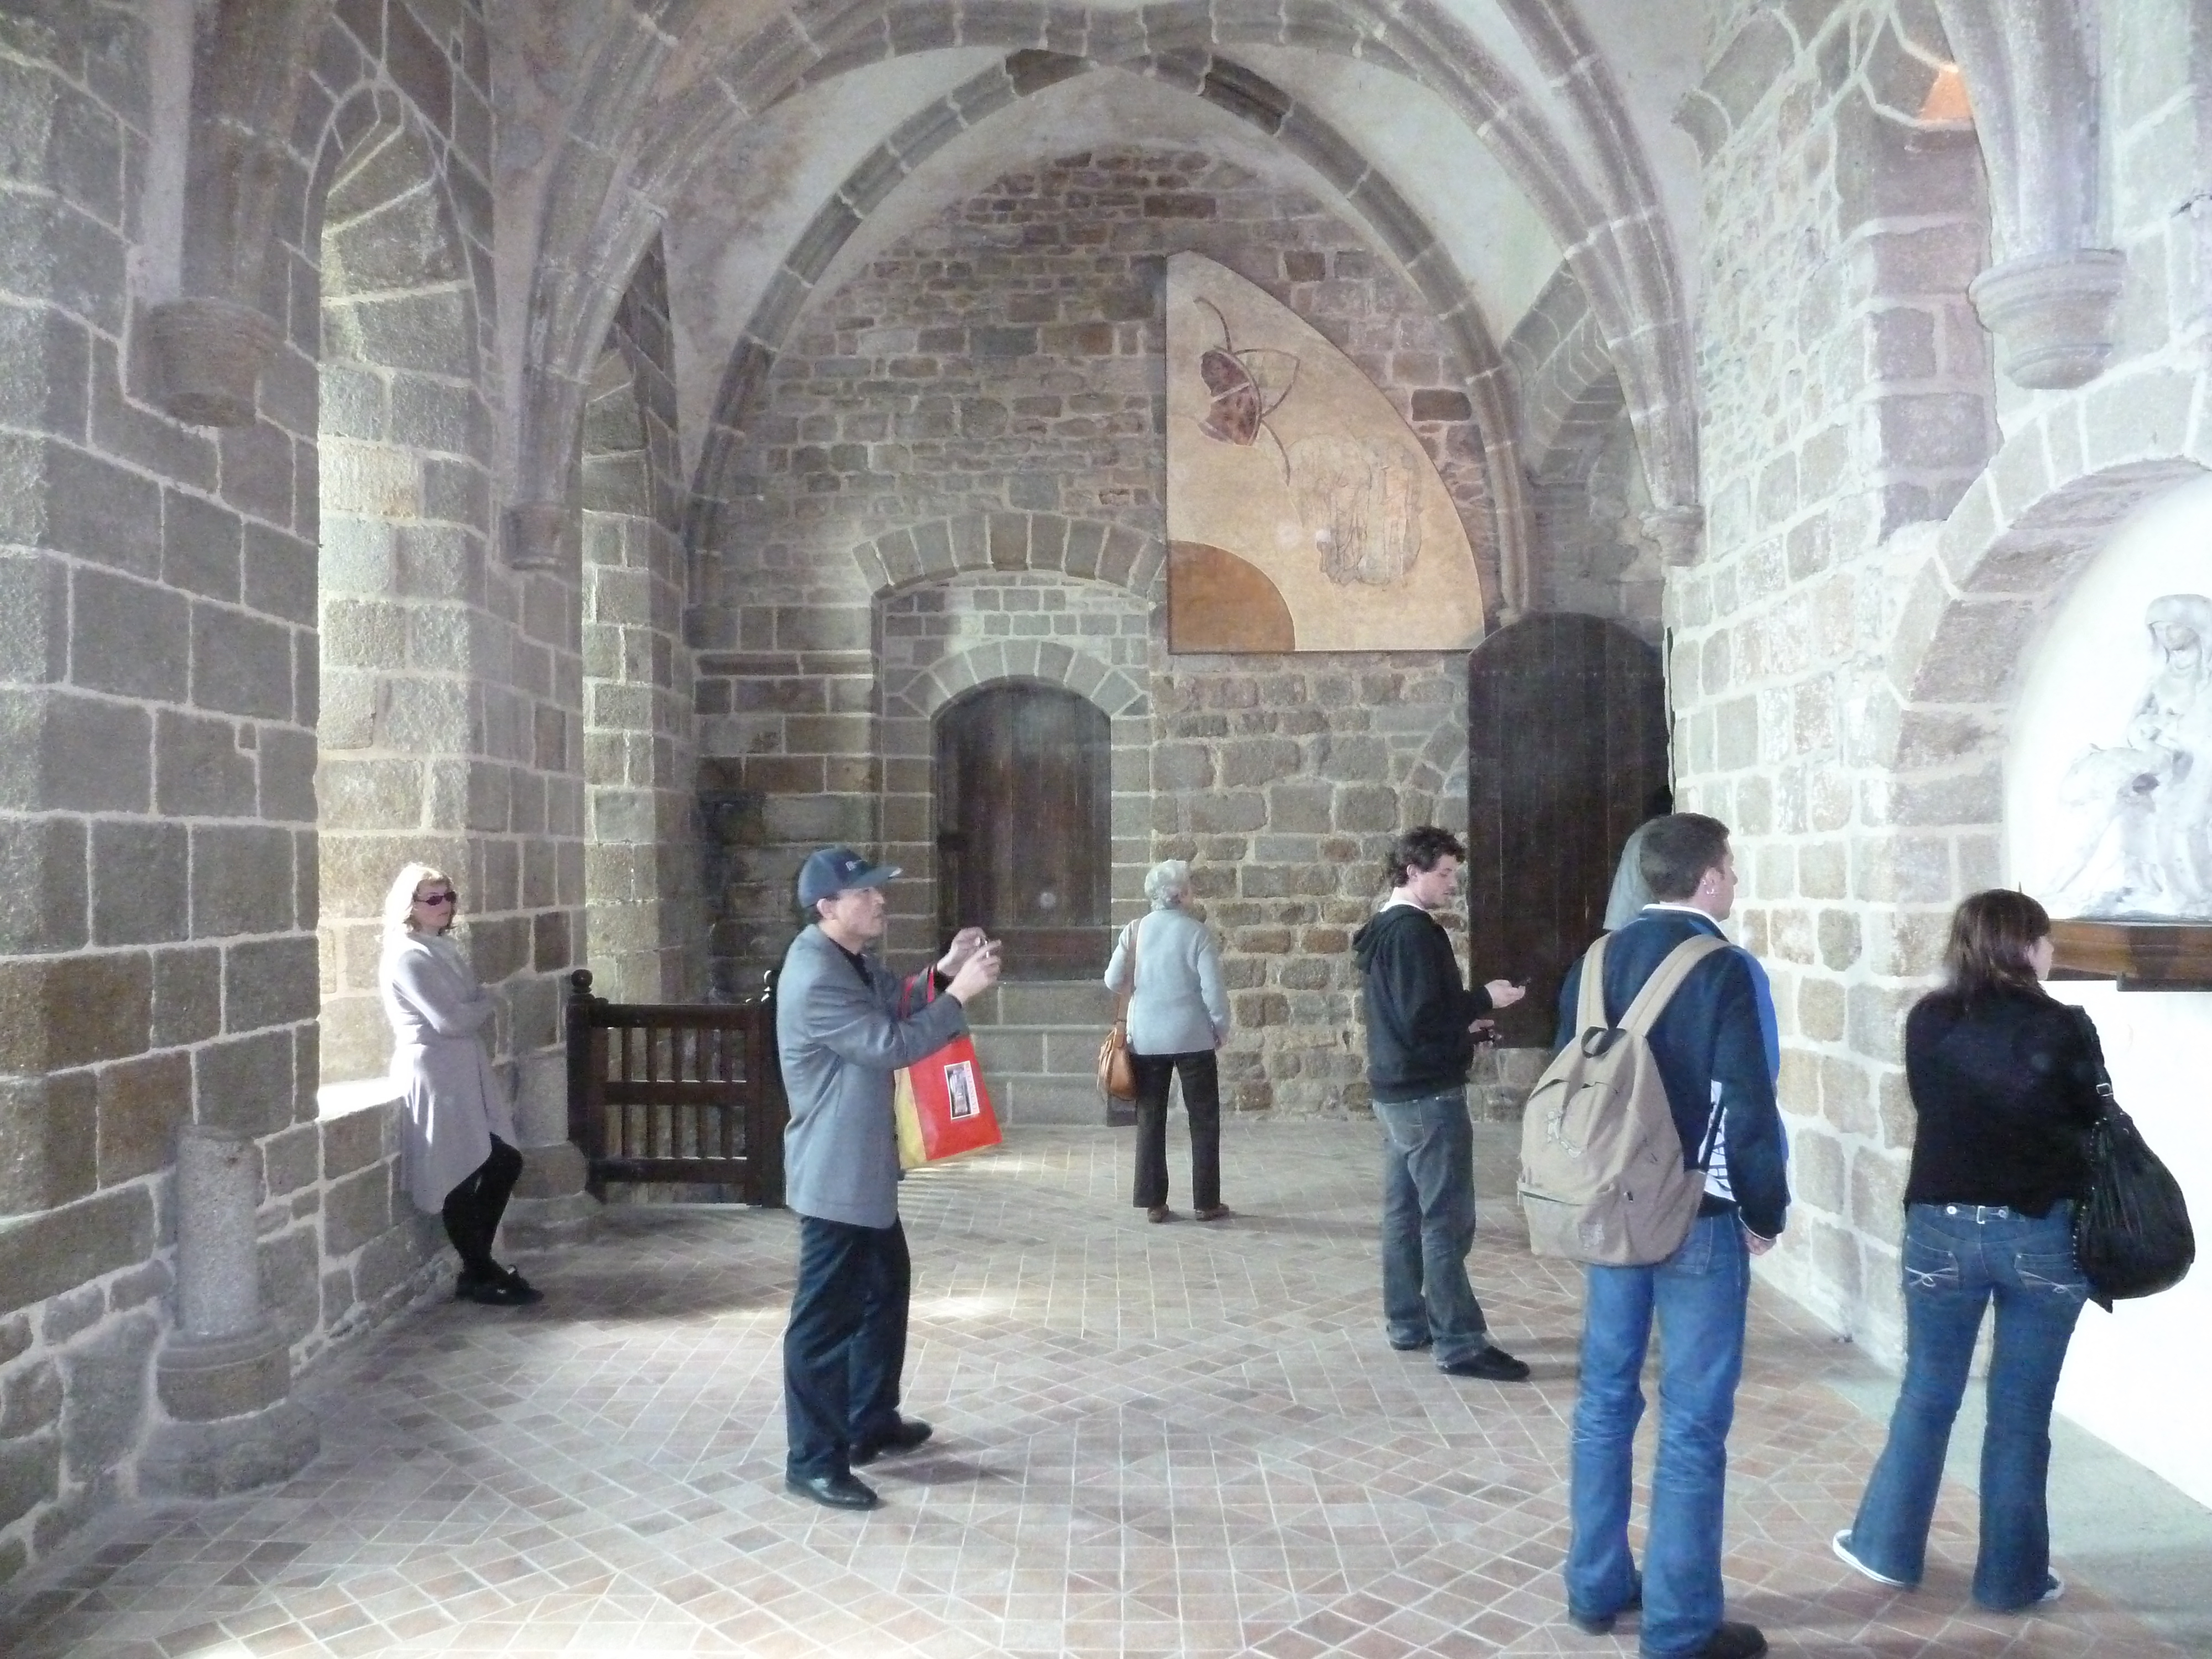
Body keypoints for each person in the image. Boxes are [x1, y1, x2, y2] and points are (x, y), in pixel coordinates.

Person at [1554, 812, 1788, 1659]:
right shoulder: (1724, 969)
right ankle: (1682, 1626)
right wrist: (1765, 1208)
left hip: (1610, 1213)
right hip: (1697, 1218)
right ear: (1709, 880)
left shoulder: (1594, 961)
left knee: (1604, 1399)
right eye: (1729, 864)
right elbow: (1749, 1104)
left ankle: (1595, 1585)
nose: (1733, 876)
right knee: (1692, 1422)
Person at [1832, 889, 2100, 1612]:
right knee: (2020, 1415)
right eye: (2044, 941)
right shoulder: (2065, 1028)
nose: (2051, 953)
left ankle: (1886, 1549)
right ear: (2026, 947)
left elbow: (1938, 1106)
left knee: (1928, 1393)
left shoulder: (1931, 1020)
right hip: (2041, 1234)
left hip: (1942, 1228)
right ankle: (2011, 1580)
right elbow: (2090, 1122)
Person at [777, 844, 1002, 1511]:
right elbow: (888, 1044)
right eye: (866, 893)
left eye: (878, 890)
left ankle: (868, 1421)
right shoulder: (815, 975)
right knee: (822, 1324)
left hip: (863, 1173)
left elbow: (895, 1002)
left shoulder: (845, 961)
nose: (880, 900)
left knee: (884, 1292)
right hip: (835, 1177)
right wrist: (960, 996)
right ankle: (813, 1460)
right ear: (827, 907)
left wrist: (943, 971)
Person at [1350, 826, 1530, 1381]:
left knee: (1405, 1214)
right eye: (1444, 874)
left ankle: (1408, 1322)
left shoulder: (1385, 929)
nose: (1453, 885)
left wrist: (1468, 1027)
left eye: (1455, 873)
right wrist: (1484, 999)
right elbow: (1421, 1016)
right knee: (1446, 1220)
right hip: (1426, 1095)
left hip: (1399, 1089)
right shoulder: (1411, 932)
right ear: (1411, 872)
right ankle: (1458, 1342)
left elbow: (1417, 1015)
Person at [379, 863, 541, 1307]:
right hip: (436, 1069)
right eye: (433, 900)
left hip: (462, 1066)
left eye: (448, 898)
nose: (444, 907)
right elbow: (451, 1019)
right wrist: (484, 1003)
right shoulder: (408, 955)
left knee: (502, 1160)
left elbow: (463, 1009)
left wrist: (475, 1005)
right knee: (459, 1169)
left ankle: (477, 1270)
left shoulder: (441, 949)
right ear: (409, 906)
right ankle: (483, 1271)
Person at [1104, 859, 1232, 1223]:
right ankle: (1206, 1202)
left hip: (1146, 1038)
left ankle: (1153, 1202)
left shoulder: (1134, 931)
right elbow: (1213, 990)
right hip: (1193, 1037)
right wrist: (1220, 1026)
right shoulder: (1197, 934)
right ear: (1182, 894)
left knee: (1150, 1117)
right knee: (1204, 1118)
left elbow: (1114, 980)